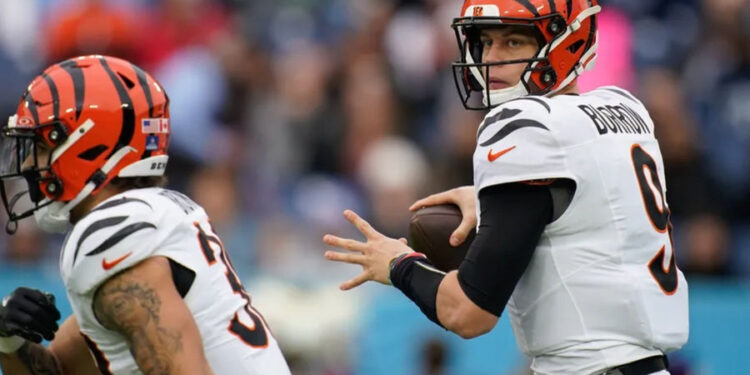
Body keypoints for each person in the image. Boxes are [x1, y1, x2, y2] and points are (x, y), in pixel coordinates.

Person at [323, 1, 689, 374]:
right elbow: (587, 208)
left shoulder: (525, 127)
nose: (491, 58)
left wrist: (397, 265)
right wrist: (490, 200)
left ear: (568, 42)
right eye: (485, 42)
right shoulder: (625, 110)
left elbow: (468, 313)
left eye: (513, 43)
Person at [0, 55, 291, 375]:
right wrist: (8, 339)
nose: (28, 165)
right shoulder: (155, 215)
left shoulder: (109, 237)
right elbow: (61, 370)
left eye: (41, 145)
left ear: (89, 145)